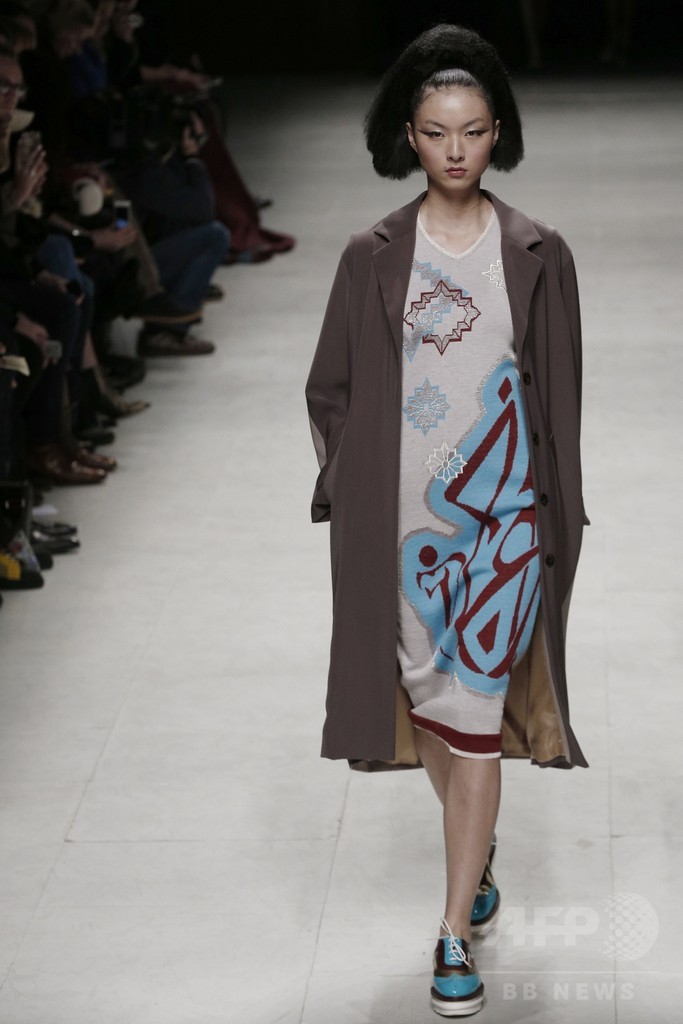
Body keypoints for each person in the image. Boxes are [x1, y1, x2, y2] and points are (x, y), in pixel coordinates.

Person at [305, 23, 589, 1018]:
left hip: (503, 527)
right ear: (409, 137)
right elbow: (330, 386)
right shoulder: (372, 256)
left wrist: (558, 511)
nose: (455, 150)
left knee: (471, 718)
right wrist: (346, 480)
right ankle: (478, 850)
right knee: (433, 713)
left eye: (471, 130)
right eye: (435, 132)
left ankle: (451, 931)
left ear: (496, 133)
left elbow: (558, 395)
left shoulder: (536, 253)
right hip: (401, 533)